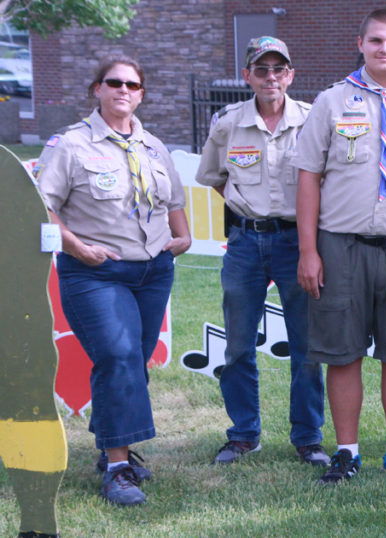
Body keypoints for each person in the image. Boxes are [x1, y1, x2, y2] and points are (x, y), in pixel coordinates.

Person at [293, 9, 386, 485]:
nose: (385, 49)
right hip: (341, 246)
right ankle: (347, 451)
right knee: (342, 352)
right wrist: (308, 251)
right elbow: (308, 177)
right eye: (376, 40)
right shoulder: (331, 102)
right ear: (360, 43)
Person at [35, 55, 191, 505]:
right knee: (119, 355)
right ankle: (119, 470)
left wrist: (183, 235)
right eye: (114, 82)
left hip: (153, 272)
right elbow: (42, 206)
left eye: (132, 85)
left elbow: (173, 200)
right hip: (96, 272)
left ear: (141, 94)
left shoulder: (154, 146)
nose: (124, 90)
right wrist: (76, 247)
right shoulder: (70, 144)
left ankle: (111, 451)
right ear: (97, 89)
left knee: (132, 363)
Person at [196, 36, 327, 466]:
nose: (271, 77)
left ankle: (308, 438)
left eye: (278, 69)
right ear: (247, 76)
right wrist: (246, 207)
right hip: (245, 243)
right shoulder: (227, 124)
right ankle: (243, 434)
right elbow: (215, 176)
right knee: (237, 345)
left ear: (290, 75)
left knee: (306, 347)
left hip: (297, 241)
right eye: (261, 69)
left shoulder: (312, 119)